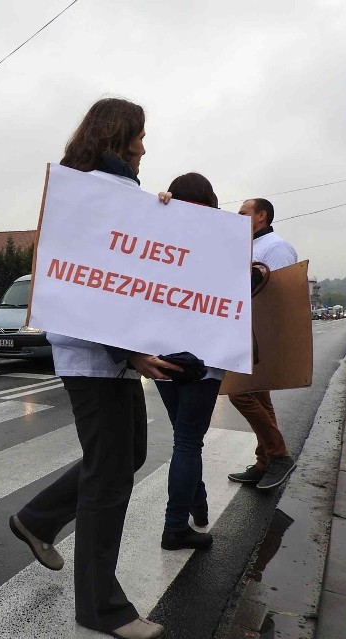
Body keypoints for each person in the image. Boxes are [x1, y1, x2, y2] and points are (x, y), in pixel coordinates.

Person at [8, 98, 179, 639]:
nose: (145, 147)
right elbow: (88, 283)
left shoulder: (110, 191)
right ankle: (100, 609)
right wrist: (125, 350)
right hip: (95, 352)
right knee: (108, 475)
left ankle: (37, 518)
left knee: (127, 455)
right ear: (118, 134)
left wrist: (161, 216)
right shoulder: (90, 193)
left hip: (113, 352)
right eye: (140, 136)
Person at [153, 173, 222, 552]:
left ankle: (196, 499)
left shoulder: (159, 227)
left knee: (183, 437)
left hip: (161, 353)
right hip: (205, 356)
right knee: (188, 442)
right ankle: (175, 526)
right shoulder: (221, 236)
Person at [227, 198, 298, 490]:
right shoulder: (251, 245)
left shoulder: (277, 247)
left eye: (244, 212)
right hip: (247, 331)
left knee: (239, 393)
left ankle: (279, 455)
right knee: (260, 398)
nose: (239, 216)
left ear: (261, 216)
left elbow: (278, 292)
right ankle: (264, 460)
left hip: (262, 334)